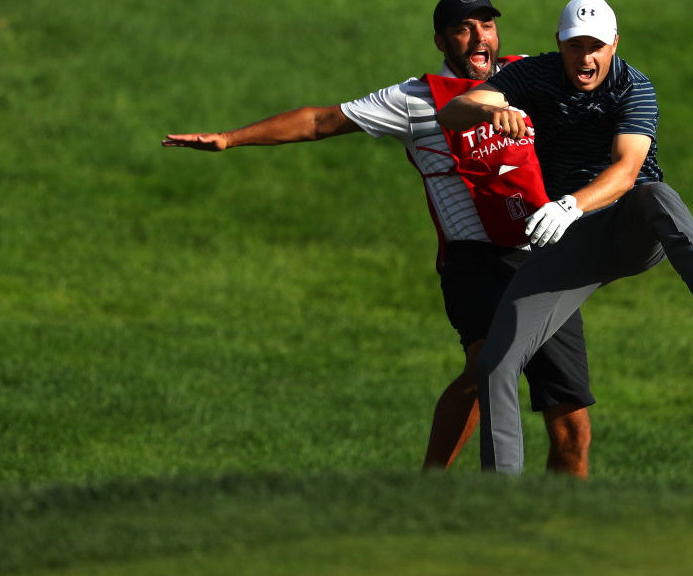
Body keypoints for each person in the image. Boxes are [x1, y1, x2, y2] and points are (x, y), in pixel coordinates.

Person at [162, 0, 596, 476]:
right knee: (484, 370)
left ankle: (562, 529)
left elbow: (592, 74)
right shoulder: (415, 100)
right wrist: (230, 137)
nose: (478, 38)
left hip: (543, 257)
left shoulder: (530, 77)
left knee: (572, 425)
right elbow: (320, 121)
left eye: (486, 26)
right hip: (474, 261)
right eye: (463, 29)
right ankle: (428, 488)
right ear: (440, 41)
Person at [437, 0, 693, 474]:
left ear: (614, 45)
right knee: (496, 363)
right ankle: (498, 499)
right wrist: (488, 109)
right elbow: (455, 113)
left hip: (628, 228)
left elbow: (626, 171)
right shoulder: (536, 75)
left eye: (596, 47)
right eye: (575, 47)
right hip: (569, 245)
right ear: (560, 45)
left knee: (655, 193)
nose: (586, 59)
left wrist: (571, 204)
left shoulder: (634, 87)